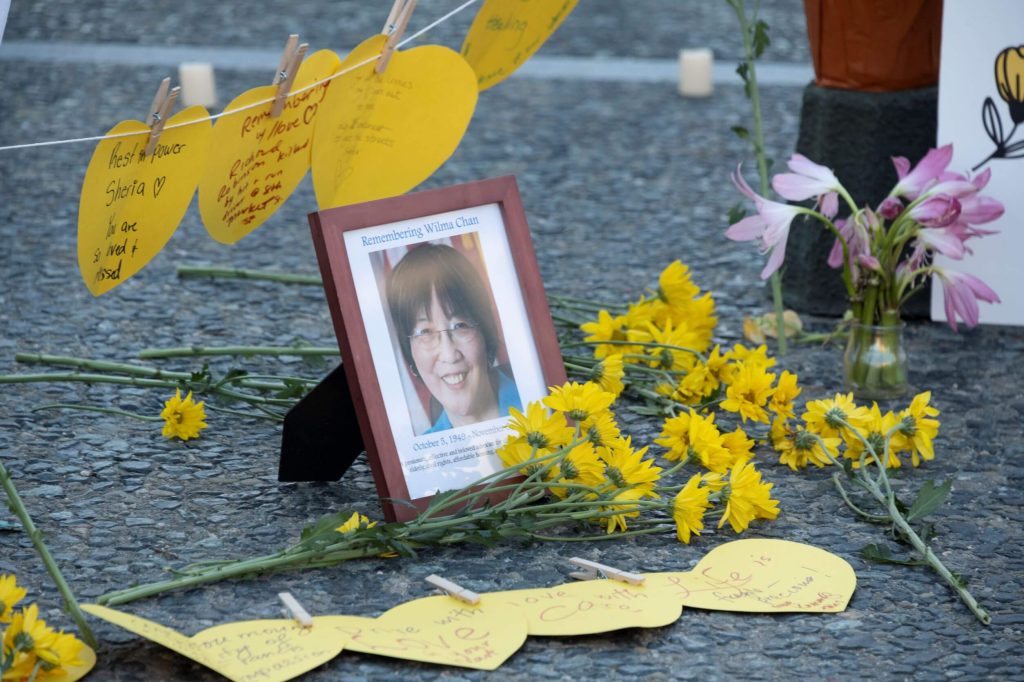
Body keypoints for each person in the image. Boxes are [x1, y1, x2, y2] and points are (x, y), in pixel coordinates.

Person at [386, 242, 521, 434]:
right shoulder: (420, 458)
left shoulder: (543, 404)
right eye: (425, 332)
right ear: (410, 351)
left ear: (485, 332)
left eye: (460, 326)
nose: (449, 355)